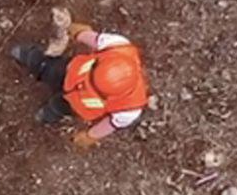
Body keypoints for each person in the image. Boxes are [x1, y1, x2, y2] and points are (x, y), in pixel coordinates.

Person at [10, 23, 149, 148]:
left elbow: (110, 124)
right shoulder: (119, 46)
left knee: (59, 107)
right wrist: (78, 33)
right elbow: (95, 39)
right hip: (68, 71)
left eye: (96, 88)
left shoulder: (130, 109)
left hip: (77, 105)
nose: (86, 83)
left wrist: (90, 136)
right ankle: (34, 59)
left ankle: (49, 113)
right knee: (50, 68)